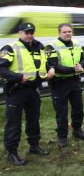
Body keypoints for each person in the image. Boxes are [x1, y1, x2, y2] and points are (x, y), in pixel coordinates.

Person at [0, 23, 54, 166]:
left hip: (33, 89)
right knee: (14, 123)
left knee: (33, 120)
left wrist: (50, 69)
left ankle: (34, 146)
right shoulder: (10, 48)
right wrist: (18, 77)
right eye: (26, 33)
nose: (29, 35)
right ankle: (12, 153)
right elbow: (1, 68)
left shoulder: (39, 46)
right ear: (20, 33)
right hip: (16, 90)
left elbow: (44, 63)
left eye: (31, 32)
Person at [45, 24, 84, 148]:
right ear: (59, 33)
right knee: (61, 112)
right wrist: (74, 70)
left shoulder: (76, 43)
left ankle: (77, 130)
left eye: (69, 31)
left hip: (74, 81)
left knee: (78, 108)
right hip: (59, 83)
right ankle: (62, 136)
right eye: (64, 32)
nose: (68, 33)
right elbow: (54, 65)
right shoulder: (51, 46)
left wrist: (82, 66)